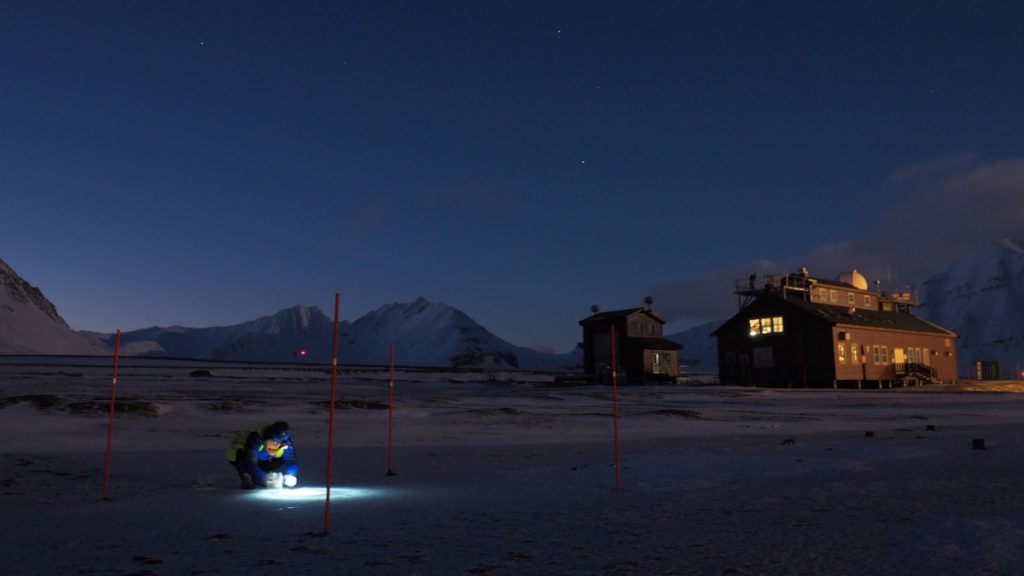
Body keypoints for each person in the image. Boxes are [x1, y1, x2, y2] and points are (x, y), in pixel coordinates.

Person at [226, 421, 299, 489]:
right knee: (244, 460)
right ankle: (246, 476)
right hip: (239, 454)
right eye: (275, 443)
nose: (277, 445)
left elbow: (291, 459)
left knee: (278, 460)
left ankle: (262, 474)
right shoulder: (255, 438)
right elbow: (250, 462)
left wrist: (291, 474)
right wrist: (264, 479)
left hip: (263, 457)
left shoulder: (284, 440)